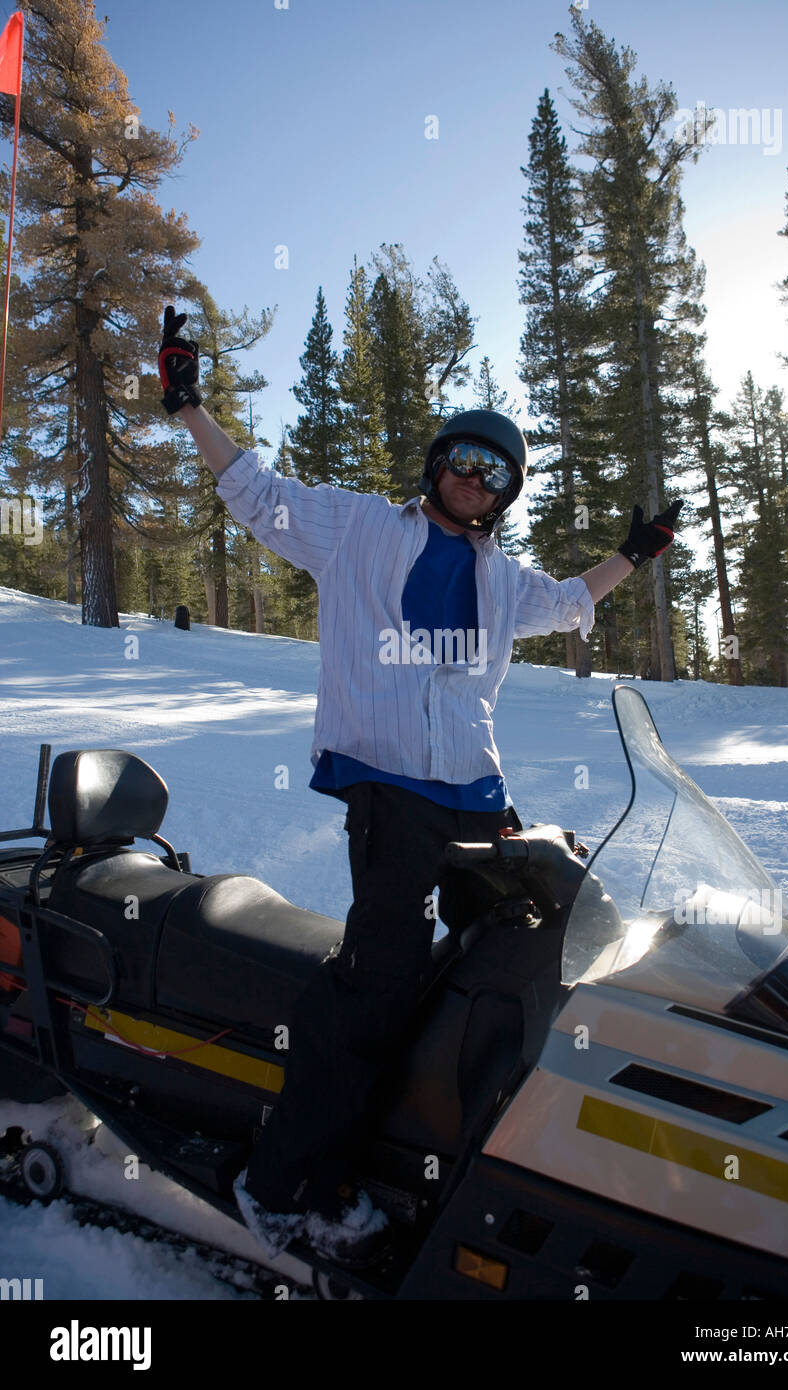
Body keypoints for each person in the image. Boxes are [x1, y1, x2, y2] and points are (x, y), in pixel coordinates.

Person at [157, 306, 683, 1264]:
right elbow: (258, 493)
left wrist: (634, 556)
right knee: (381, 980)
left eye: (494, 473)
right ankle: (283, 1183)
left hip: (477, 791)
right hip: (387, 781)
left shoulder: (502, 578)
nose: (473, 481)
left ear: (504, 495)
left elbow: (569, 606)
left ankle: (500, 1143)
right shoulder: (358, 528)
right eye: (463, 460)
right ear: (436, 464)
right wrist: (191, 406)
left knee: (543, 949)